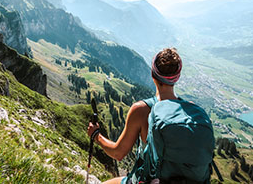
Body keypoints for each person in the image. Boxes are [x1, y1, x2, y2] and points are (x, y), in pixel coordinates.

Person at [87, 48, 212, 184]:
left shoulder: (141, 110)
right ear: (177, 77)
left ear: (153, 75)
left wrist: (96, 136)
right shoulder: (191, 112)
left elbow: (118, 153)